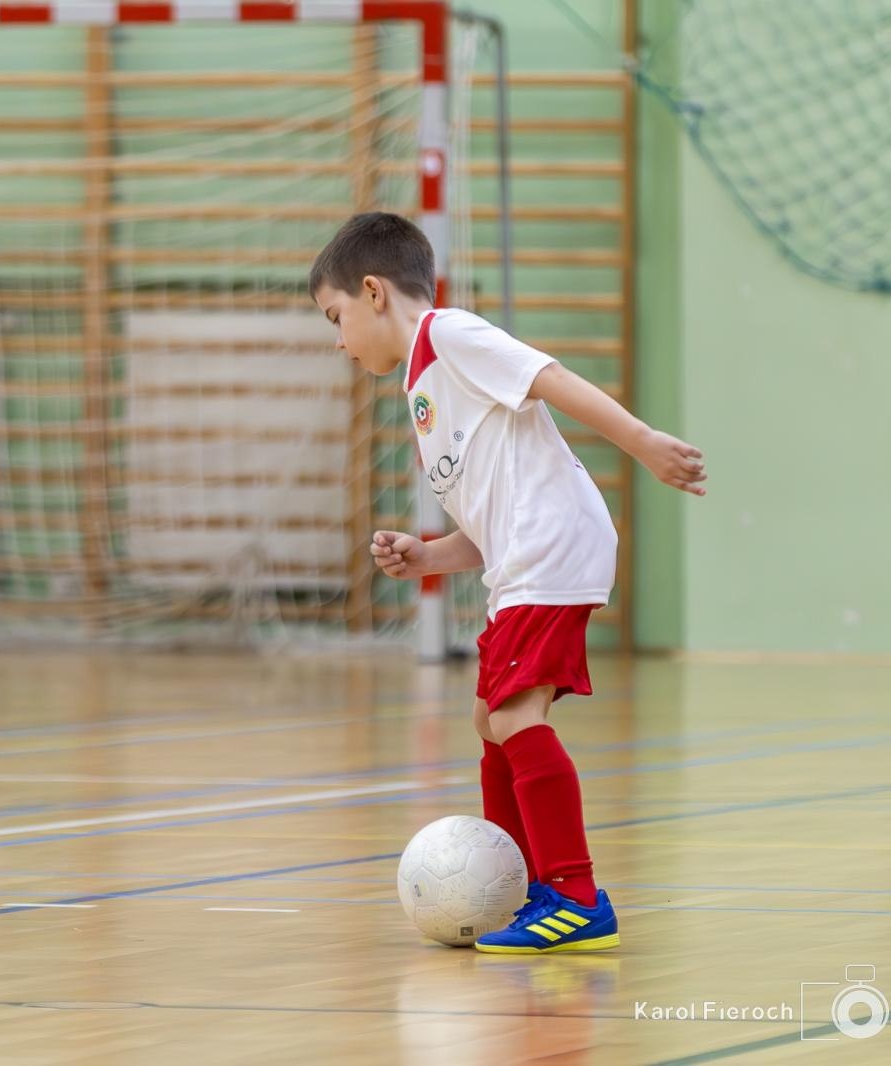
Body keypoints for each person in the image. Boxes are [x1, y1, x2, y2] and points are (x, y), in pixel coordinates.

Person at [310, 212, 707, 953]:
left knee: (516, 719)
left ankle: (575, 894)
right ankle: (527, 886)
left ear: (371, 292)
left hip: (551, 551)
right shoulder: (422, 381)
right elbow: (493, 516)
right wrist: (429, 557)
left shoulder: (450, 335)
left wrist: (645, 444)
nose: (338, 339)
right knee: (491, 718)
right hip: (527, 555)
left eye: (336, 318)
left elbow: (549, 378)